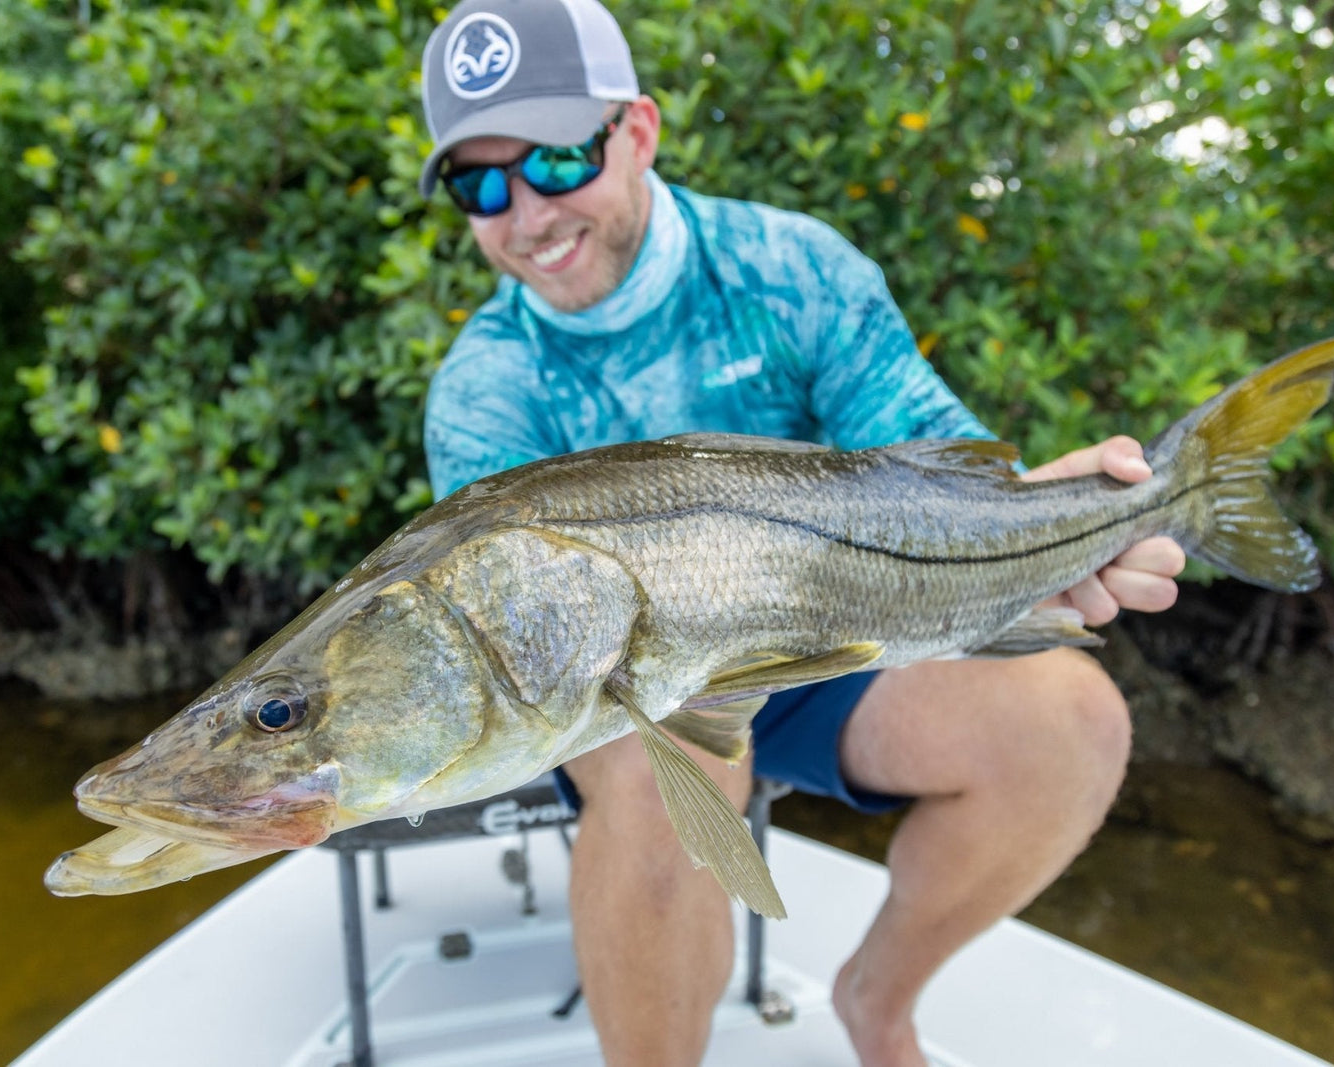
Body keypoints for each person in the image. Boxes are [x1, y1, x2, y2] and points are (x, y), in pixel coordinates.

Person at [416, 2, 1186, 1064]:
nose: (526, 213)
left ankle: (879, 998)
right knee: (656, 773)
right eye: (479, 184)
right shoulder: (483, 393)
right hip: (630, 675)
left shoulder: (792, 269)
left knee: (1070, 721)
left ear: (636, 131)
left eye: (553, 158)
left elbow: (933, 464)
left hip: (838, 628)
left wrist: (1042, 522)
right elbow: (535, 655)